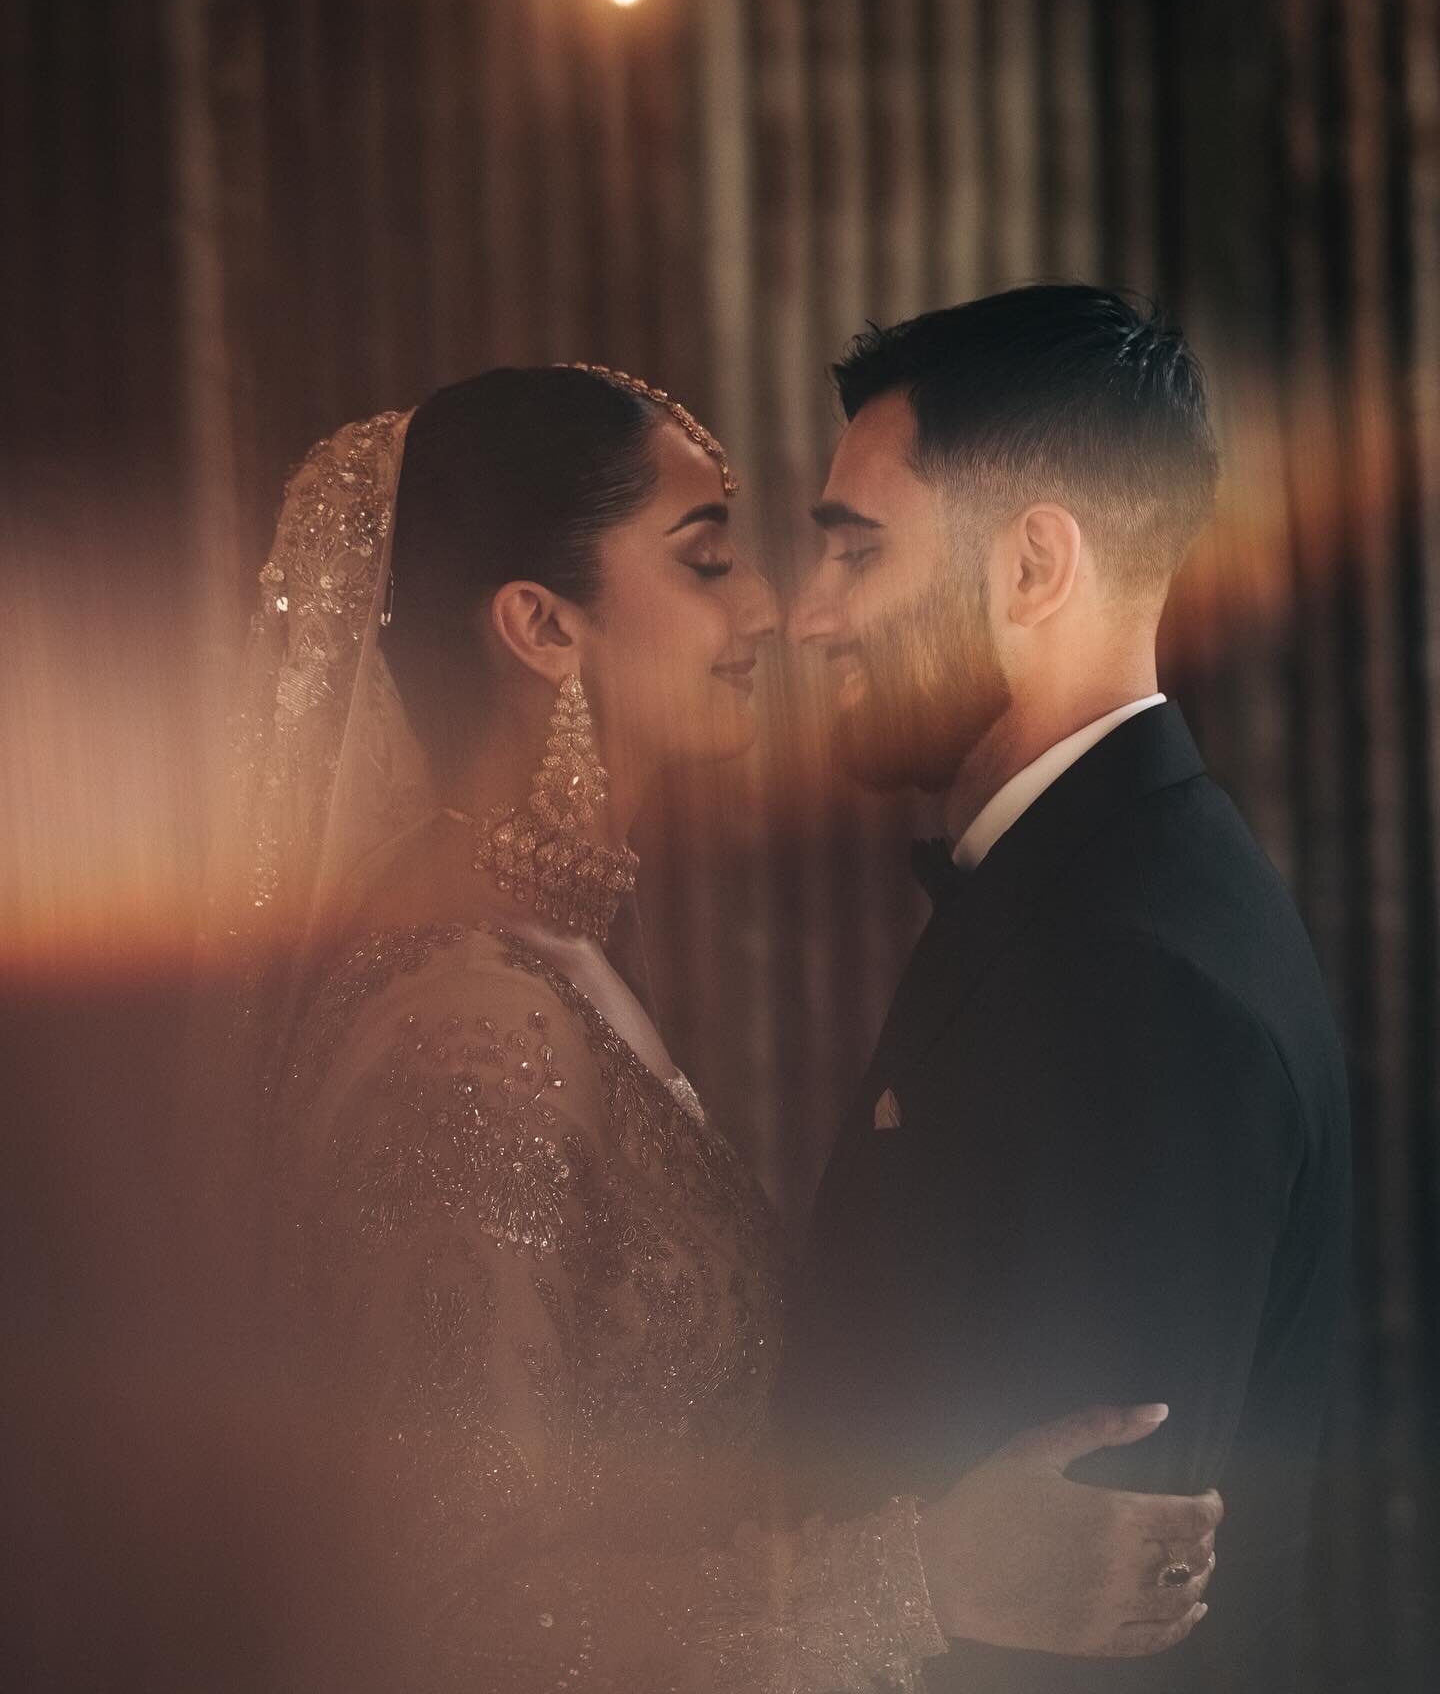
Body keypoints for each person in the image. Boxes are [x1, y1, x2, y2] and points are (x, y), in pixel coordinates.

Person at [214, 364, 1220, 1692]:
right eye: (707, 564)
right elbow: (451, 1629)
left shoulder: (547, 961)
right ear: (542, 627)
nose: (768, 609)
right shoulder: (461, 1030)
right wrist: (929, 1580)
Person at [781, 286, 1351, 1693]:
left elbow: (1095, 1632)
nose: (810, 617)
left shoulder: (1130, 973)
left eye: (857, 554)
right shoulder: (1094, 884)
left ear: (1034, 565)